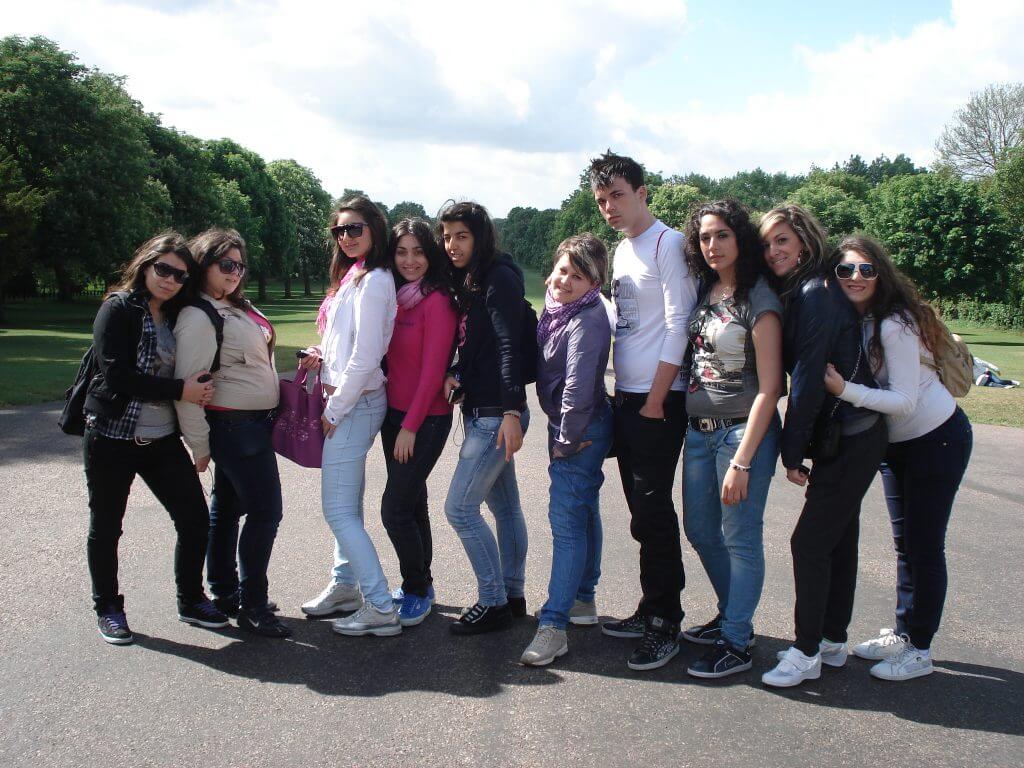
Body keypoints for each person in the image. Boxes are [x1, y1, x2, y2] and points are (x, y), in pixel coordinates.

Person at [823, 235, 973, 681]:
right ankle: (906, 632)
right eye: (845, 270)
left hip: (936, 439)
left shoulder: (893, 323)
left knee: (924, 547)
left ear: (880, 273)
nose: (855, 277)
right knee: (906, 545)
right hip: (899, 447)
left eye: (865, 269)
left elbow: (904, 400)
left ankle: (920, 648)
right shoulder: (860, 320)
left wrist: (843, 390)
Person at [757, 205, 888, 688]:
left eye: (783, 242)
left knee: (808, 542)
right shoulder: (811, 291)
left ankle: (807, 650)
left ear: (807, 243)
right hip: (852, 436)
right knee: (837, 539)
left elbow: (809, 380)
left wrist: (792, 454)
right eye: (768, 243)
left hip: (853, 436)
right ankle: (831, 640)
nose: (773, 252)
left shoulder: (815, 294)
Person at [83, 232, 223, 645]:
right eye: (163, 269)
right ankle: (108, 608)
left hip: (160, 440)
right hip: (112, 437)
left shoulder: (178, 314)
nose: (170, 279)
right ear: (145, 264)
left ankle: (191, 600)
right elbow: (117, 376)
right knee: (107, 527)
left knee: (195, 520)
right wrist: (181, 390)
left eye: (180, 275)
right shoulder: (118, 308)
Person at [590, 151, 697, 671]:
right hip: (627, 397)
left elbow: (679, 324)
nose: (610, 207)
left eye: (618, 196)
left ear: (642, 193)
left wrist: (656, 397)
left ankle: (665, 622)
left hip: (659, 399)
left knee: (653, 510)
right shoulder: (621, 250)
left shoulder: (668, 244)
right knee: (639, 511)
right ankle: (650, 605)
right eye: (602, 199)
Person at [679, 201, 784, 679]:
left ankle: (737, 641)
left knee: (740, 537)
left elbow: (770, 388)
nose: (712, 245)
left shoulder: (758, 298)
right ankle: (732, 615)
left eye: (721, 235)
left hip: (742, 435)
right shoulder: (706, 290)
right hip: (698, 434)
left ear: (739, 238)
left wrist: (743, 460)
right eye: (704, 237)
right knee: (700, 530)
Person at [174, 228, 289, 638]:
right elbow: (189, 390)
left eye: (240, 265)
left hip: (253, 424)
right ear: (203, 264)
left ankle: (225, 592)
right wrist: (200, 446)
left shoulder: (237, 307)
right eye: (226, 265)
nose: (235, 272)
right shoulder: (198, 316)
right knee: (266, 511)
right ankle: (253, 605)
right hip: (234, 428)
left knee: (226, 511)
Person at [299, 197, 400, 637]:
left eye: (355, 229)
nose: (346, 237)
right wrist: (322, 355)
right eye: (339, 231)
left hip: (353, 404)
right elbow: (347, 345)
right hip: (346, 396)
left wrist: (334, 409)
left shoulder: (376, 279)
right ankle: (345, 586)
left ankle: (379, 605)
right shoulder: (353, 278)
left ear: (375, 229)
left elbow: (367, 355)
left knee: (338, 511)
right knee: (349, 506)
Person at [520, 234, 614, 666]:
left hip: (578, 428)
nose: (565, 281)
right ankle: (581, 599)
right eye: (562, 270)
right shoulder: (559, 311)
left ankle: (554, 625)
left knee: (567, 523)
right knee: (584, 511)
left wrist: (565, 441)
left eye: (578, 276)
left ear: (594, 282)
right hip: (574, 425)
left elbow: (577, 388)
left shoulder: (587, 318)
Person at [441, 200, 532, 635]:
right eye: (446, 236)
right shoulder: (474, 280)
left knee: (459, 508)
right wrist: (459, 373)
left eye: (461, 235)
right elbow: (477, 348)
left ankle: (493, 600)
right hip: (485, 409)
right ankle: (513, 594)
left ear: (479, 236)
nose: (451, 245)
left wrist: (513, 410)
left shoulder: (498, 277)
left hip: (498, 415)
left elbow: (508, 346)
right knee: (505, 507)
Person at [379, 217, 458, 627]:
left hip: (424, 420)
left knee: (393, 509)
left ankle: (415, 588)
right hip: (392, 416)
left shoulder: (438, 299)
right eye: (401, 251)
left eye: (419, 251)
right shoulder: (393, 296)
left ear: (432, 254)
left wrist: (410, 426)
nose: (410, 260)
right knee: (412, 504)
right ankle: (422, 585)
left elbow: (431, 373)